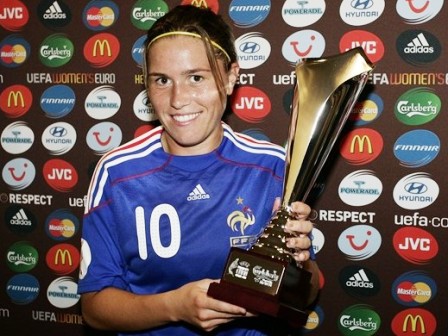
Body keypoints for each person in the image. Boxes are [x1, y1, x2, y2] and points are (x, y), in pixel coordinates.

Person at [78, 4, 319, 336]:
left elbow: (307, 292)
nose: (178, 99)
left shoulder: (273, 167)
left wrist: (300, 263)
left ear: (232, 77)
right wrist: (174, 307)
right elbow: (94, 308)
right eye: (162, 80)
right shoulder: (118, 173)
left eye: (196, 77)